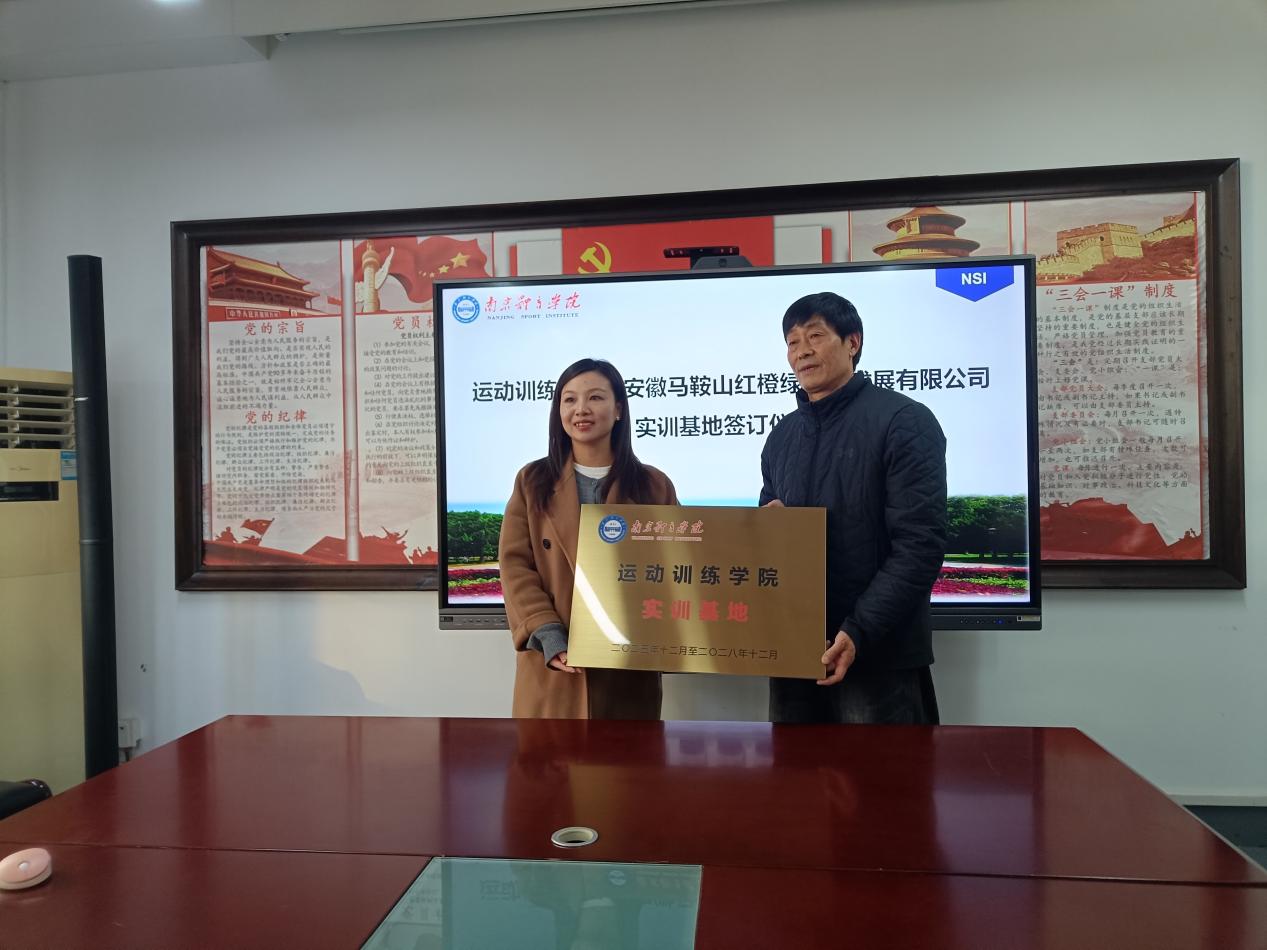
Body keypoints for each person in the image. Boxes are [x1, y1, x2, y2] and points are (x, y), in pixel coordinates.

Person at [760, 292, 947, 724]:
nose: (802, 351)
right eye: (792, 342)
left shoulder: (904, 421)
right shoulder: (781, 437)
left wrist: (858, 629)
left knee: (878, 769)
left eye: (815, 336)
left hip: (877, 655)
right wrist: (767, 528)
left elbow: (920, 544)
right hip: (795, 653)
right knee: (792, 767)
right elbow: (768, 535)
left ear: (852, 342)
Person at [499, 358, 678, 719]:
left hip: (627, 672)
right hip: (553, 671)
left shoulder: (653, 484)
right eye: (569, 399)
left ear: (619, 409)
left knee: (627, 756)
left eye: (595, 397)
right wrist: (547, 632)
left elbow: (680, 567)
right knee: (548, 757)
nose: (581, 409)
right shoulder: (532, 481)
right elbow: (515, 565)